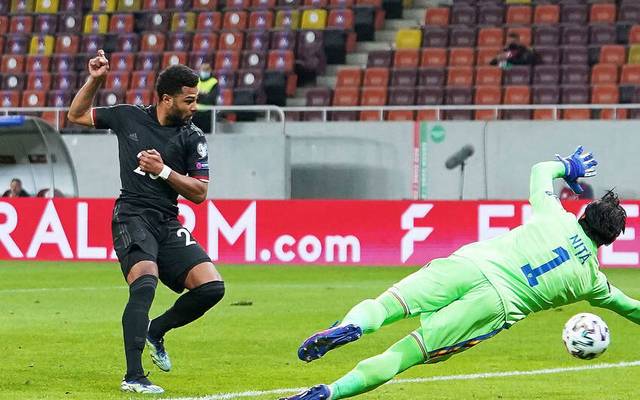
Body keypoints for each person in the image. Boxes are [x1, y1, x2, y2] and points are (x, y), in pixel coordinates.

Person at [281, 146, 637, 400]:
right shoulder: (593, 282)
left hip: (470, 265)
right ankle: (328, 393)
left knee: (387, 305)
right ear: (610, 240)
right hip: (492, 306)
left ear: (583, 214)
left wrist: (570, 167)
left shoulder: (554, 214)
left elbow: (540, 171)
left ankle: (352, 326)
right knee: (406, 354)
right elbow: (632, 308)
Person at [67, 50, 225, 394]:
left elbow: (199, 192)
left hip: (167, 221)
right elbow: (75, 115)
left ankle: (156, 330)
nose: (195, 106)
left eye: (196, 99)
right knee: (145, 281)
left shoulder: (193, 137)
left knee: (212, 287)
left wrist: (164, 170)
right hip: (132, 215)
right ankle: (134, 376)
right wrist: (95, 80)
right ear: (167, 99)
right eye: (190, 100)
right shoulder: (128, 117)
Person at [191, 62, 219, 134]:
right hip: (195, 114)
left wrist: (199, 95)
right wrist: (204, 95)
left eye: (206, 70)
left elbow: (211, 99)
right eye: (203, 69)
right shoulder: (196, 81)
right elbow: (191, 96)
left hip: (208, 114)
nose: (204, 71)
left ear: (210, 71)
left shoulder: (214, 82)